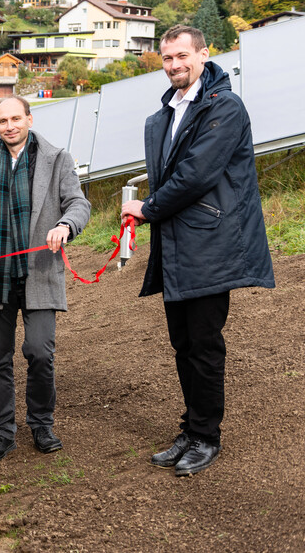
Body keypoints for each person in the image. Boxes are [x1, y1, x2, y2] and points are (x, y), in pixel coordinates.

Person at [121, 25, 274, 477]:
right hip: (176, 245)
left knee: (205, 345)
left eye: (182, 56)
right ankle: (191, 427)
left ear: (203, 55)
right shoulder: (167, 113)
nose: (174, 65)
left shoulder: (224, 107)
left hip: (211, 243)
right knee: (183, 343)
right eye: (167, 58)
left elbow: (195, 175)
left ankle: (207, 436)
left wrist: (146, 208)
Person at [0, 96, 91, 464]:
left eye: (16, 118)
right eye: (2, 120)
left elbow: (79, 204)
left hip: (40, 272)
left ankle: (41, 424)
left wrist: (66, 225)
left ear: (29, 119)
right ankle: (2, 432)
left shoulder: (57, 159)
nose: (9, 126)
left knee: (39, 352)